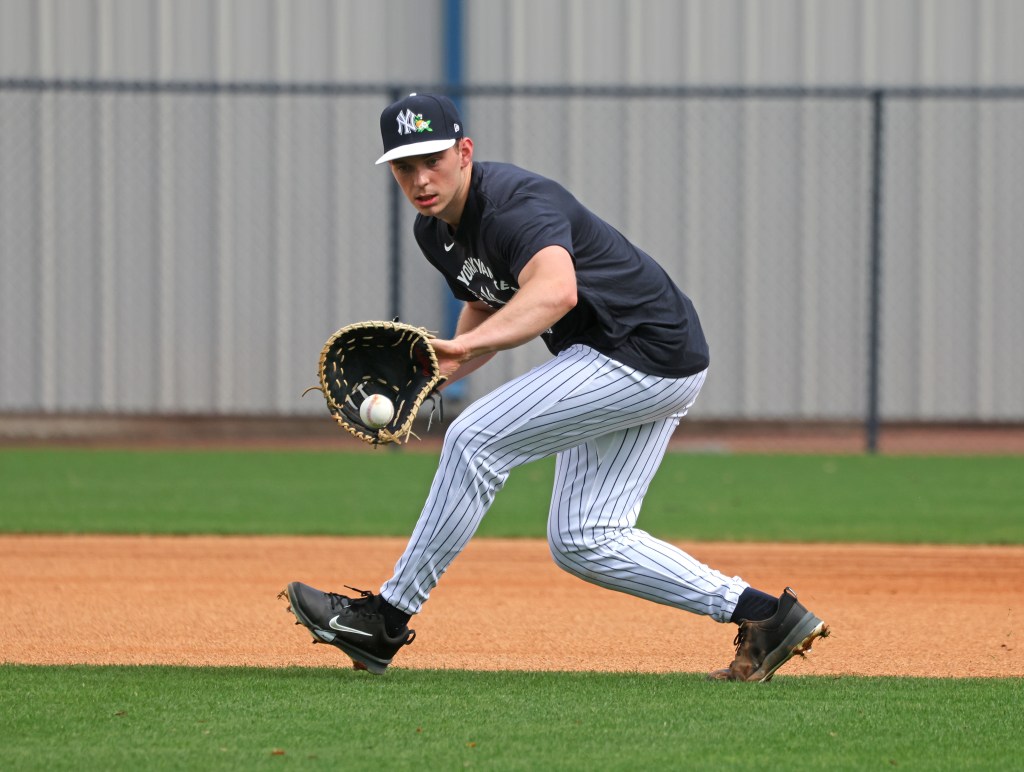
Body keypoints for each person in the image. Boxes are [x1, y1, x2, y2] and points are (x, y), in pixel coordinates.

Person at [283, 93, 828, 681]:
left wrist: (464, 351)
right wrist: (440, 372)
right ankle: (766, 616)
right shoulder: (434, 231)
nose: (420, 178)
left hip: (640, 348)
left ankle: (385, 620)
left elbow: (554, 292)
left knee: (474, 438)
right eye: (404, 166)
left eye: (433, 159)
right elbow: (483, 298)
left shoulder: (515, 206)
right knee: (583, 537)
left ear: (465, 153)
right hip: (646, 356)